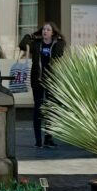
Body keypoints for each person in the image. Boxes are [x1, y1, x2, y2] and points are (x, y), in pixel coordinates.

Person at [29, 21, 66, 149]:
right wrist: (31, 35)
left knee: (51, 110)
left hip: (52, 80)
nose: (45, 31)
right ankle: (38, 140)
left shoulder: (58, 44)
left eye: (48, 30)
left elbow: (59, 54)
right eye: (44, 29)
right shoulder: (36, 44)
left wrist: (58, 40)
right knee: (38, 109)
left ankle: (48, 139)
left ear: (53, 32)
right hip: (38, 80)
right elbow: (22, 45)